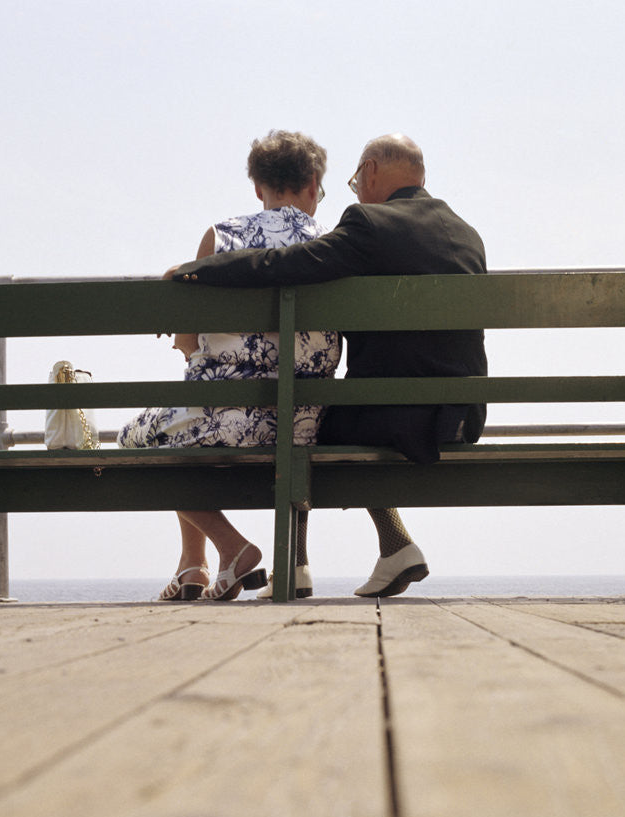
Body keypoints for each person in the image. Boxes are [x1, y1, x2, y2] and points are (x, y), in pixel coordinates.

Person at [169, 133, 488, 598]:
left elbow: (288, 263)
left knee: (311, 423)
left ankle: (299, 565)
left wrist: (199, 271)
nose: (356, 191)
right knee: (317, 413)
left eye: (358, 180)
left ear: (373, 171)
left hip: (394, 416)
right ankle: (385, 548)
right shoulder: (466, 233)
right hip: (463, 417)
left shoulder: (369, 224)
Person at [119, 130, 340, 601]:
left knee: (132, 440)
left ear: (259, 187)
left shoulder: (223, 236)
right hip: (305, 424)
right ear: (313, 183)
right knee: (179, 421)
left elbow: (186, 346)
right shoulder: (335, 246)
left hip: (230, 422)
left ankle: (230, 546)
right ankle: (193, 566)